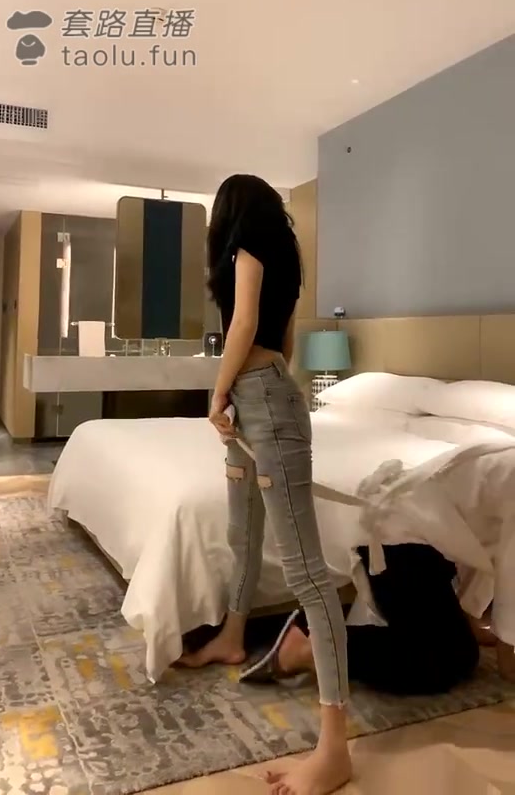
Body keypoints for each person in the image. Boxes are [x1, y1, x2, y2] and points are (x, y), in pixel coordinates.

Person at [180, 174, 351, 795]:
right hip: (261, 397)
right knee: (241, 531)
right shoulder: (285, 258)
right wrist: (244, 394)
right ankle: (232, 637)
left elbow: (246, 324)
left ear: (231, 213)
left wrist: (220, 392)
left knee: (306, 572)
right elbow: (283, 340)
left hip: (264, 404)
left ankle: (335, 748)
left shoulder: (248, 246)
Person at [240, 544, 481, 697]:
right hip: (395, 536)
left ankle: (324, 645)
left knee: (462, 656)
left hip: (420, 535)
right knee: (435, 663)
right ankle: (316, 647)